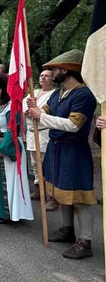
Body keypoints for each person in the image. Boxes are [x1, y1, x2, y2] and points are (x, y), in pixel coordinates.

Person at [27, 50, 97, 259]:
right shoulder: (59, 93)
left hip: (73, 152)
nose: (51, 72)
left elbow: (74, 125)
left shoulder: (84, 94)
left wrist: (41, 116)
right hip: (56, 149)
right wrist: (33, 110)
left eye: (54, 69)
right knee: (60, 192)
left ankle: (86, 242)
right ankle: (68, 230)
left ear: (65, 70)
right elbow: (46, 113)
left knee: (80, 197)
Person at [0, 73, 33, 223]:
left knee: (5, 182)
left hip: (7, 148)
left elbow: (12, 130)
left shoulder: (13, 106)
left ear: (1, 90)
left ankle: (6, 213)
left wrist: (3, 148)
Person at [23, 69, 57, 210]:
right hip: (31, 132)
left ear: (52, 79)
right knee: (34, 164)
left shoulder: (55, 94)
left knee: (46, 165)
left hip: (44, 133)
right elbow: (25, 106)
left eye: (46, 76)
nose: (43, 78)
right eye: (41, 75)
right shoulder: (34, 92)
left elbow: (44, 112)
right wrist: (30, 110)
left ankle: (51, 197)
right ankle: (38, 190)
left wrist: (34, 111)